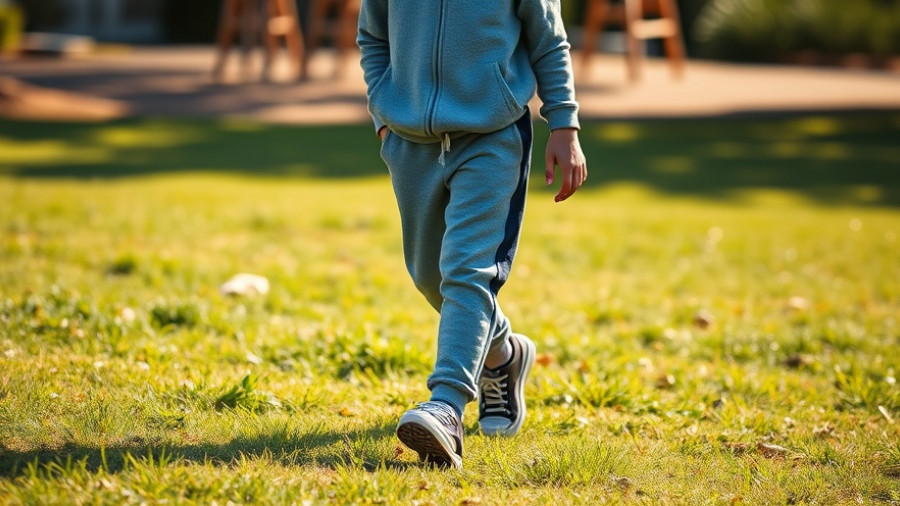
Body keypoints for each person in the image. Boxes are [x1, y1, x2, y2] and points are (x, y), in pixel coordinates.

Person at [357, 0, 587, 469]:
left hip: (492, 136)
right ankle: (502, 352)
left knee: (467, 270)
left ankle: (446, 406)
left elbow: (549, 40)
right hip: (409, 143)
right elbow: (373, 38)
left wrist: (563, 122)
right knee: (429, 275)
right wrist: (383, 114)